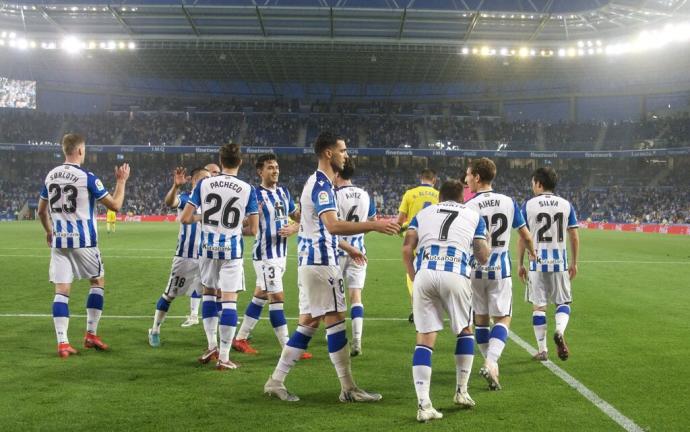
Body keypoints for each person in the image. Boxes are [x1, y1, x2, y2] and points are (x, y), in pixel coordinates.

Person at [263, 132, 400, 402]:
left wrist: (349, 248)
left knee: (308, 324)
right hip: (321, 263)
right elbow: (333, 225)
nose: (346, 155)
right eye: (343, 150)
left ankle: (275, 381)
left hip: (311, 261)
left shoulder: (316, 182)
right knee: (335, 321)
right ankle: (348, 389)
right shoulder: (323, 185)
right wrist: (375, 224)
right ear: (328, 153)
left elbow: (314, 228)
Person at [402, 180, 490, 422]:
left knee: (424, 339)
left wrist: (414, 276)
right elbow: (482, 256)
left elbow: (407, 249)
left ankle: (423, 405)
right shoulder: (473, 215)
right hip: (455, 274)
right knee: (464, 330)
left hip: (425, 275)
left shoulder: (423, 213)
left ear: (439, 197)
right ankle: (461, 392)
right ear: (462, 197)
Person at [37, 133, 130, 358]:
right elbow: (115, 205)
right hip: (84, 242)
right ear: (80, 150)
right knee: (97, 282)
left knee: (61, 291)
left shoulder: (50, 176)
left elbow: (41, 210)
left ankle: (62, 343)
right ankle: (90, 334)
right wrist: (121, 181)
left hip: (59, 242)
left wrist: (49, 231)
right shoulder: (86, 176)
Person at [180, 144, 259, 370]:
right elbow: (253, 230)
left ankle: (212, 346)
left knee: (209, 294)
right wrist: (234, 226)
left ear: (220, 160)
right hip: (231, 251)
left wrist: (205, 219)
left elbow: (185, 218)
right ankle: (224, 357)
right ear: (240, 162)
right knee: (229, 301)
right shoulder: (247, 188)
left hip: (206, 249)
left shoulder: (204, 184)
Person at [463, 158, 536, 390]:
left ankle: (489, 363)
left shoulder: (469, 205)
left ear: (477, 177)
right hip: (500, 271)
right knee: (503, 318)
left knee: (481, 320)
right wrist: (532, 255)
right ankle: (491, 362)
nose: (465, 180)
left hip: (475, 271)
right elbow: (525, 235)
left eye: (467, 175)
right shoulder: (508, 202)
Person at [232, 154, 310, 359]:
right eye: (270, 167)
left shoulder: (284, 192)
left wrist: (295, 227)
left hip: (281, 254)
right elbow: (243, 224)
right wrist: (249, 223)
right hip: (265, 255)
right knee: (277, 297)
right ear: (260, 171)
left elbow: (298, 218)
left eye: (276, 167)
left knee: (261, 295)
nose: (275, 170)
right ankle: (289, 348)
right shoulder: (253, 194)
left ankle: (240, 338)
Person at [518, 167, 579, 362]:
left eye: (532, 183)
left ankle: (543, 350)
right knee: (563, 303)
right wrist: (574, 262)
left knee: (539, 308)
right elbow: (574, 235)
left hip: (537, 264)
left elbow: (522, 237)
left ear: (539, 183)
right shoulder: (566, 204)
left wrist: (520, 263)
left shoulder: (528, 205)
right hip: (559, 263)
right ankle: (560, 331)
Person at [147, 167, 210, 347]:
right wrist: (175, 186)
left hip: (207, 257)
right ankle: (155, 330)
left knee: (212, 295)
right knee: (170, 294)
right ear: (194, 182)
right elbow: (170, 202)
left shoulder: (213, 201)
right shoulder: (187, 199)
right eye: (204, 178)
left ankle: (213, 338)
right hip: (185, 257)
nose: (208, 181)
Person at [334, 158, 376, 356]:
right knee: (355, 296)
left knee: (336, 297)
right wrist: (357, 236)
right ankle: (357, 339)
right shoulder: (365, 195)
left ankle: (337, 337)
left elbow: (329, 226)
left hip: (337, 251)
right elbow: (372, 222)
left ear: (337, 174)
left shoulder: (334, 194)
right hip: (359, 252)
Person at [180, 163, 221, 328]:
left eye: (218, 173)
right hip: (193, 248)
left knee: (216, 286)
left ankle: (220, 317)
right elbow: (176, 205)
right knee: (201, 285)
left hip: (214, 246)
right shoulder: (193, 195)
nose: (216, 176)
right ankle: (194, 315)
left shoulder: (219, 195)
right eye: (213, 173)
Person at [397, 168, 439, 323]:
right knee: (433, 273)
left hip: (414, 240)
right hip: (434, 241)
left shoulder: (410, 194)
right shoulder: (440, 195)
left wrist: (401, 229)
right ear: (434, 180)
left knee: (413, 274)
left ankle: (417, 308)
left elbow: (399, 222)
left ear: (421, 178)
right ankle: (433, 308)